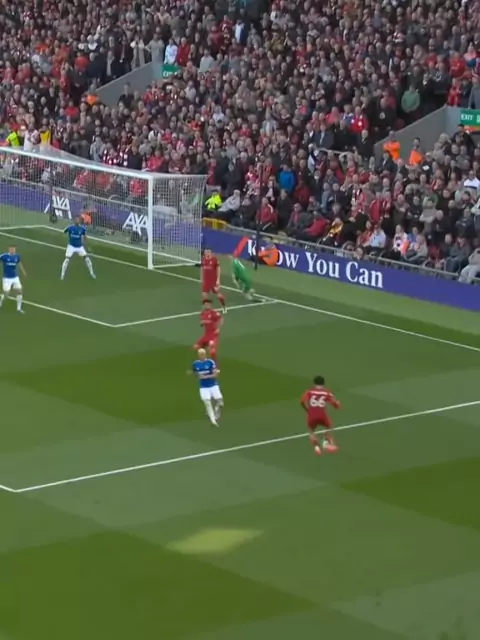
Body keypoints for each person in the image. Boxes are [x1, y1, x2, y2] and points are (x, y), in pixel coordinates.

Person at [300, 376, 341, 456]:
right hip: (322, 416)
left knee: (311, 431)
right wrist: (337, 405)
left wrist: (307, 410)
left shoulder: (309, 391)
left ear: (314, 383)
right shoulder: (327, 392)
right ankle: (325, 441)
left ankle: (316, 447)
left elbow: (302, 401)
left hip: (311, 416)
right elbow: (335, 403)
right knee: (329, 427)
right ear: (323, 383)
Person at [189, 348, 223, 426]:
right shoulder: (195, 363)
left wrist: (206, 376)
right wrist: (193, 374)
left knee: (220, 401)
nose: (202, 356)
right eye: (200, 354)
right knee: (207, 402)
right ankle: (213, 420)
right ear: (198, 355)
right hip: (204, 387)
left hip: (213, 385)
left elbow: (215, 374)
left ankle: (216, 412)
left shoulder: (210, 362)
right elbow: (194, 373)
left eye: (203, 354)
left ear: (205, 354)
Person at [0, 246, 26, 313]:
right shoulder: (4, 256)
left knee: (19, 291)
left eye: (14, 250)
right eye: (11, 249)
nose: (13, 251)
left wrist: (23, 271)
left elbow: (19, 262)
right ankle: (1, 300)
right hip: (7, 278)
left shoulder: (17, 256)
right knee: (6, 294)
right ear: (9, 250)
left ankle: (19, 308)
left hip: (15, 278)